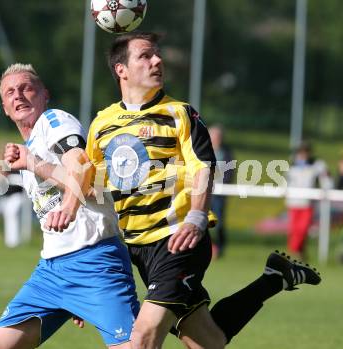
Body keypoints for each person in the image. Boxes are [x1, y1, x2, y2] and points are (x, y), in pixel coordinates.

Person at [86, 32, 322, 349]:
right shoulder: (101, 123)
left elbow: (204, 166)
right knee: (208, 340)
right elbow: (91, 187)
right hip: (136, 250)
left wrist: (197, 216)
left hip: (178, 240)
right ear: (121, 70)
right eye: (145, 55)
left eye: (158, 54)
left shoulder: (180, 114)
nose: (157, 60)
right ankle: (274, 278)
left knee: (141, 338)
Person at [0, 63, 139, 349]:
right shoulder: (29, 147)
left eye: (26, 88)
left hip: (94, 262)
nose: (18, 95)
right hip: (52, 272)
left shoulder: (55, 122)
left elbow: (84, 174)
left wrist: (66, 204)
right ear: (5, 107)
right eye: (10, 92)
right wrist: (71, 299)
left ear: (44, 95)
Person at [286, 141, 331, 261]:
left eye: (305, 151)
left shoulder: (317, 164)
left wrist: (325, 191)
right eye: (301, 152)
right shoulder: (292, 166)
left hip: (307, 203)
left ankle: (292, 252)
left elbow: (326, 179)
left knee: (302, 229)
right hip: (293, 202)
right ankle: (301, 255)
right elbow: (286, 181)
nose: (303, 154)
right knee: (294, 230)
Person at [208, 125, 234, 258]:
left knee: (219, 222)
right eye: (213, 136)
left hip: (219, 193)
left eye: (218, 136)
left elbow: (230, 172)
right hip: (204, 192)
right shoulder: (203, 150)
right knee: (203, 221)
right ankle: (208, 248)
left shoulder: (227, 153)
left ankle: (219, 247)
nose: (216, 139)